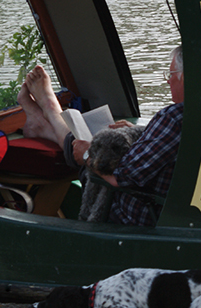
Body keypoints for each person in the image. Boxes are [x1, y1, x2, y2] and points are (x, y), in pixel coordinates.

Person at [18, 47, 185, 227]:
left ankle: (50, 109)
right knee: (100, 143)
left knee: (83, 152)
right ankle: (45, 126)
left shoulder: (173, 118)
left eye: (171, 73)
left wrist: (87, 155)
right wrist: (144, 131)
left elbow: (120, 178)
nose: (168, 81)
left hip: (134, 214)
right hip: (175, 212)